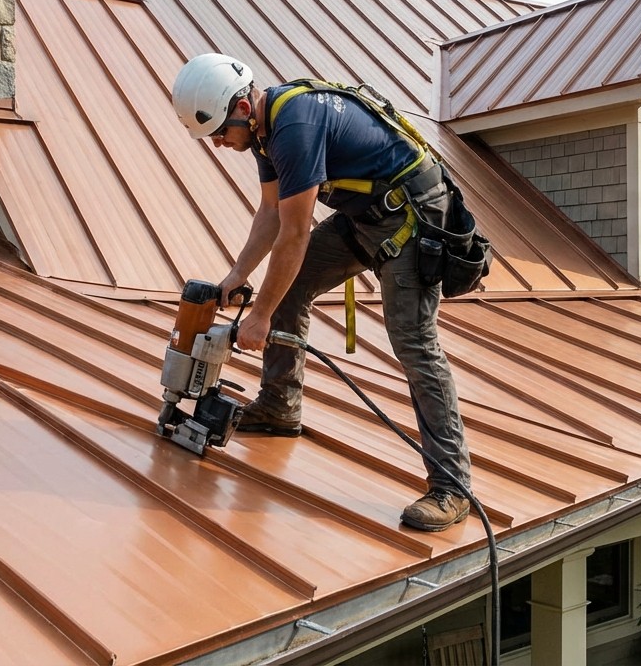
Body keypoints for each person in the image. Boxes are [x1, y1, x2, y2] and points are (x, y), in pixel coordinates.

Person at [171, 53, 473, 532]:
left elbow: (295, 233)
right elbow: (270, 213)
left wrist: (259, 317)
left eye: (221, 134)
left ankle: (452, 487)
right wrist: (236, 276)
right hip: (366, 218)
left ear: (243, 109)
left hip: (412, 220)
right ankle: (278, 406)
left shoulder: (294, 126)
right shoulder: (266, 136)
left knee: (414, 344)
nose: (221, 145)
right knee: (289, 288)